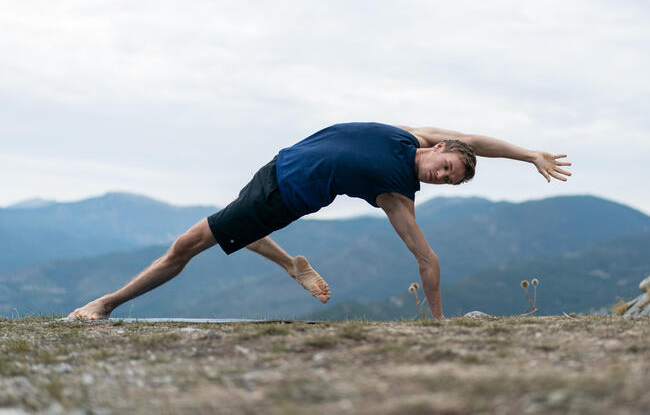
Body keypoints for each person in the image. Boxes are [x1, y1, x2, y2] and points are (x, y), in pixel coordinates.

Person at [68, 122, 571, 320]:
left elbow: (426, 258)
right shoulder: (413, 135)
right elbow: (477, 142)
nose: (442, 176)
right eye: (446, 168)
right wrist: (528, 154)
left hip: (283, 195)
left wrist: (437, 323)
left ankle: (104, 305)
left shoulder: (396, 191)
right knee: (234, 233)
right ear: (437, 149)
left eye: (448, 181)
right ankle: (291, 265)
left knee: (186, 245)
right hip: (276, 164)